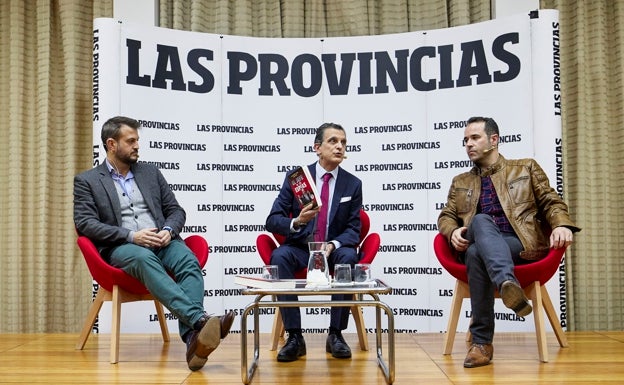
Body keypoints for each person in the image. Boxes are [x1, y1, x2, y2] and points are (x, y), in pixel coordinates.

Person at [73, 116, 234, 371]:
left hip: (163, 241)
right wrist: (131, 236)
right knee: (143, 258)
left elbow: (175, 210)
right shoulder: (88, 181)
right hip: (123, 247)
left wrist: (169, 230)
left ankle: (194, 339)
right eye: (131, 141)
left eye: (137, 140)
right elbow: (85, 224)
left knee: (188, 261)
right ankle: (199, 321)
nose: (137, 145)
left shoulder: (150, 172)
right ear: (112, 144)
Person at [437, 116, 580, 368]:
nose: (468, 144)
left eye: (474, 138)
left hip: (519, 243)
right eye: (465, 140)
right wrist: (451, 232)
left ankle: (482, 344)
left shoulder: (525, 168)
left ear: (494, 140)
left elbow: (551, 201)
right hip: (481, 238)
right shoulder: (461, 181)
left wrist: (561, 224)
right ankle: (505, 282)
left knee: (474, 255)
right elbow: (447, 215)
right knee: (480, 221)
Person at [266, 122, 363, 362]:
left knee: (349, 257)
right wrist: (297, 221)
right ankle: (295, 337)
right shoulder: (297, 178)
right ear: (317, 148)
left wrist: (333, 246)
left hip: (333, 250)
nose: (339, 146)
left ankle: (336, 334)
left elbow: (354, 229)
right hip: (301, 248)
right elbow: (272, 220)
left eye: (343, 142)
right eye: (333, 141)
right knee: (279, 257)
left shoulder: (353, 184)